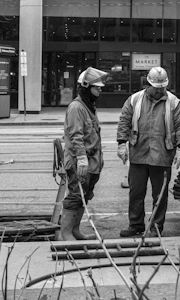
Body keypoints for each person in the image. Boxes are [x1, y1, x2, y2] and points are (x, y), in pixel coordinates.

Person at [116, 66, 180, 237]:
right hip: (139, 155)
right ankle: (136, 225)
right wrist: (121, 143)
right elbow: (124, 121)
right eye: (156, 88)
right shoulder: (135, 100)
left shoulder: (173, 102)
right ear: (148, 84)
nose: (159, 91)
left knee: (160, 195)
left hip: (162, 157)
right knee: (136, 193)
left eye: (162, 87)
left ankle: (156, 227)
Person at [60, 67, 107, 241]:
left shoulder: (88, 107)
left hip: (91, 162)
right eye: (97, 87)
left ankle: (75, 230)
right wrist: (81, 158)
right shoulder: (76, 108)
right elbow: (76, 135)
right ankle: (65, 234)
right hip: (80, 162)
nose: (100, 90)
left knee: (83, 196)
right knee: (75, 195)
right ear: (87, 87)